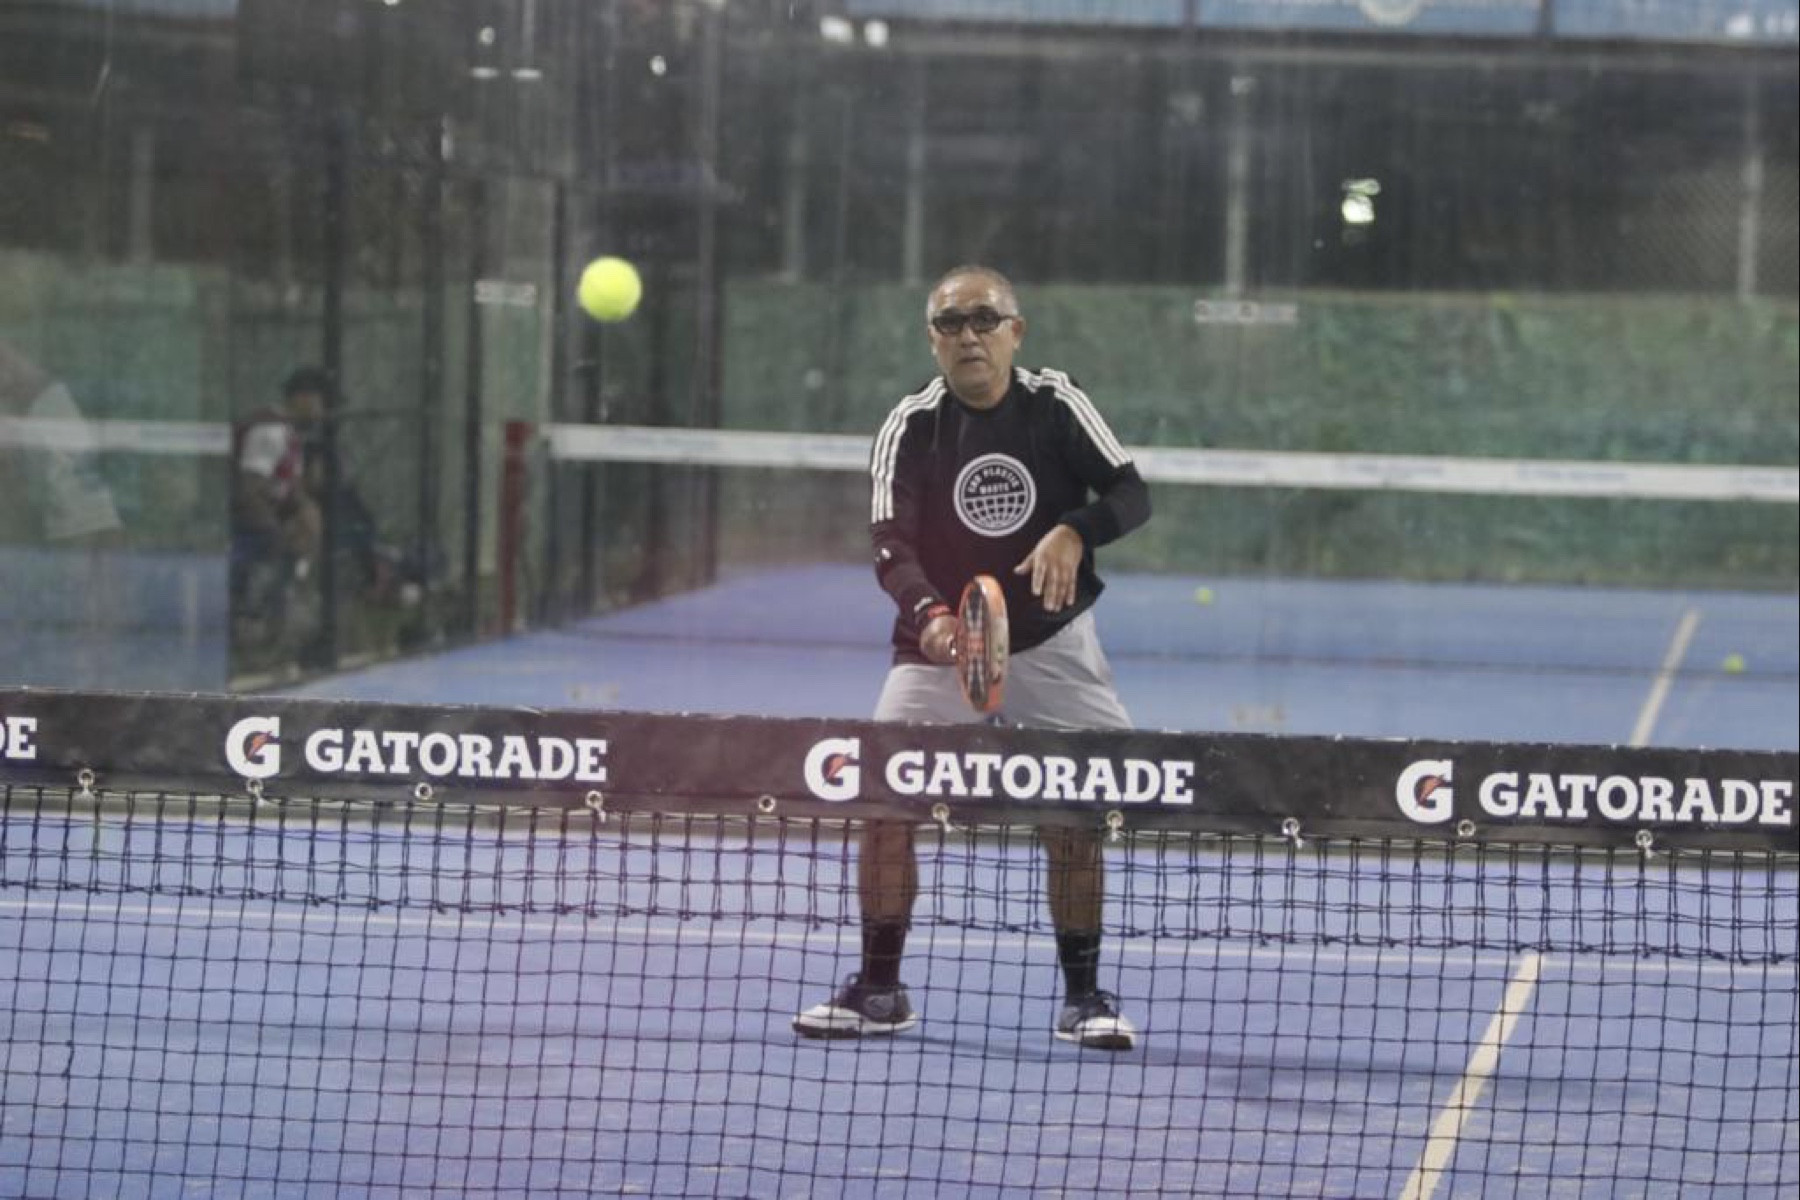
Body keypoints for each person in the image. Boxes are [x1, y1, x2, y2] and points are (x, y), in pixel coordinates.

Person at [792, 265, 1152, 1051]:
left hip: (1053, 642)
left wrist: (1075, 530)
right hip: (938, 651)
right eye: (951, 324)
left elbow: (1131, 493)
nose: (969, 336)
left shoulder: (1056, 404)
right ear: (933, 340)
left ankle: (1084, 998)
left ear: (1015, 332)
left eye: (985, 319)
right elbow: (890, 544)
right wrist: (930, 617)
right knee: (884, 805)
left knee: (1077, 810)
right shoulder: (911, 424)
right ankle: (880, 989)